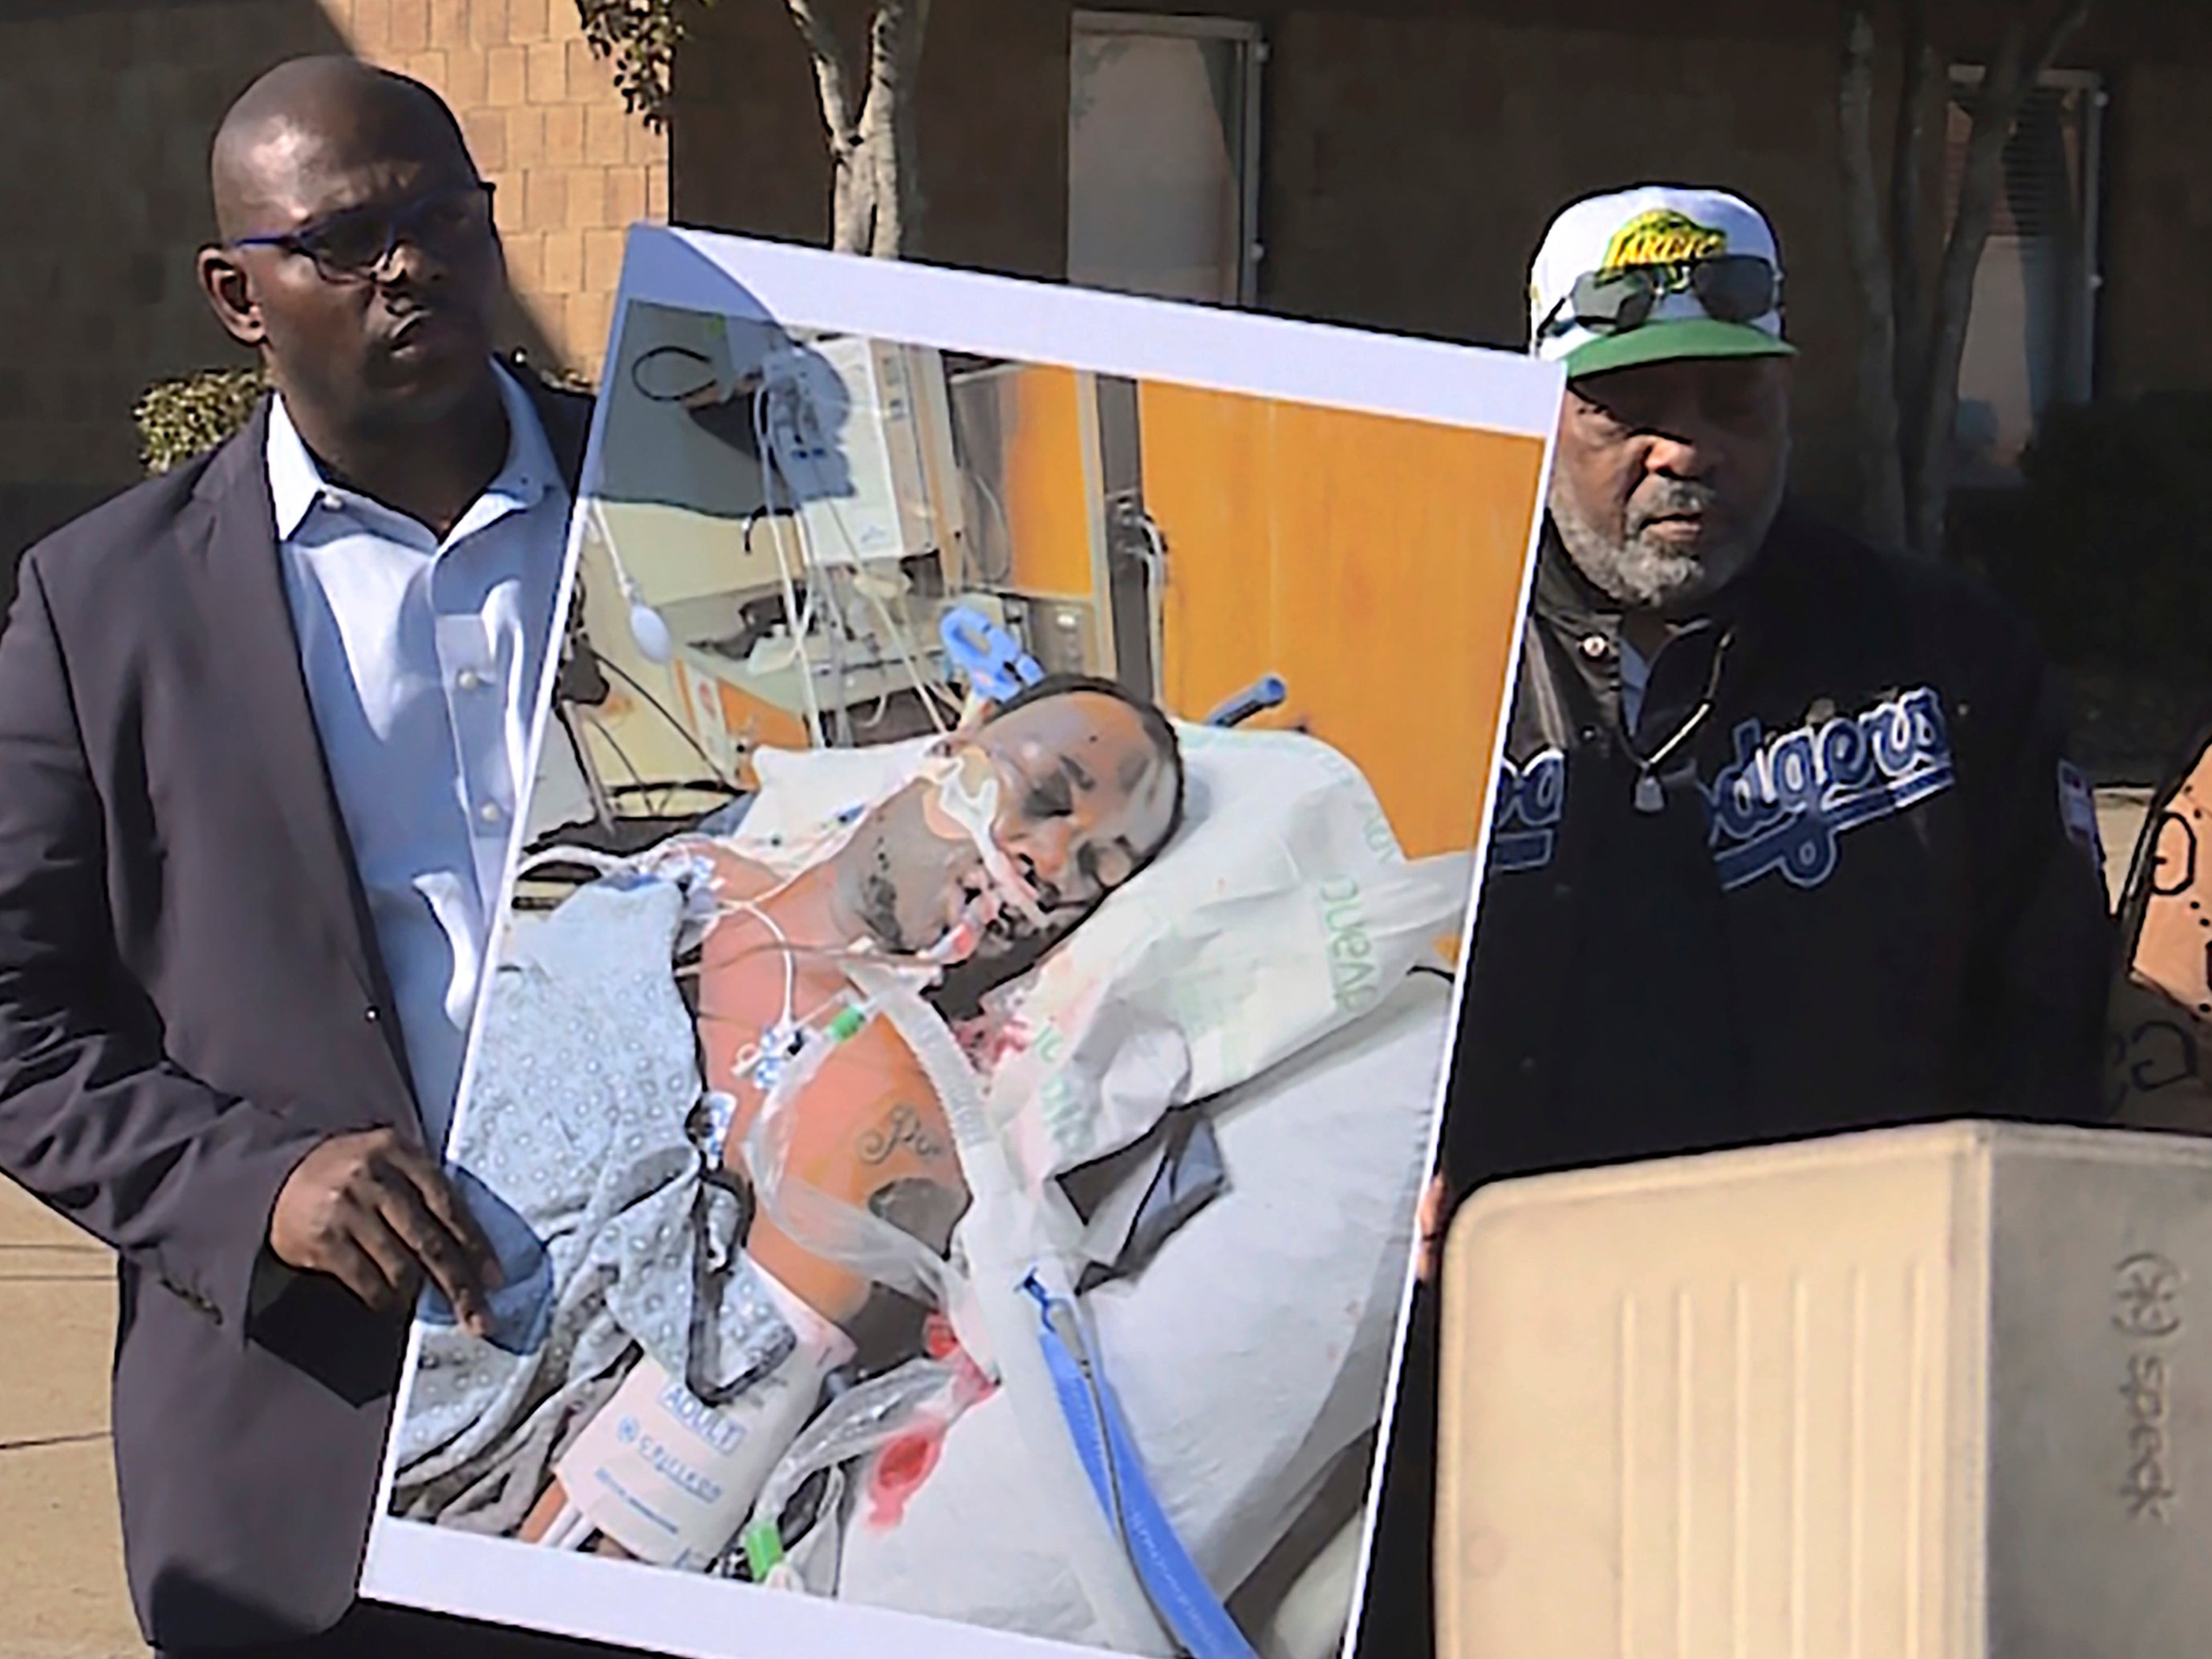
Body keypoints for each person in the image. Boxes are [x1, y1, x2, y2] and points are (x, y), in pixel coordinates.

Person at [1355, 185, 2115, 1659]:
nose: (1681, 449)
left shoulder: (1946, 659)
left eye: (1728, 401)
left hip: (1837, 1367)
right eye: (1624, 405)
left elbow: (2046, 1027)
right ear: (1539, 403)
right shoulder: (1403, 644)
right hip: (1477, 1372)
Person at [0, 57, 629, 1659]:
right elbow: (15, 1015)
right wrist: (256, 1183)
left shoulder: (689, 506)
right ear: (238, 293)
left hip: (695, 1417)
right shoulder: (106, 608)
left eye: (440, 217)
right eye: (342, 240)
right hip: (316, 1461)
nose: (406, 264)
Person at [383, 675, 1185, 1564]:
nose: (1050, 859)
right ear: (961, 744)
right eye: (1043, 796)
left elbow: (626, 1512)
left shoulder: (890, 1109)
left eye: (1094, 872)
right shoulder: (681, 876)